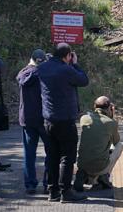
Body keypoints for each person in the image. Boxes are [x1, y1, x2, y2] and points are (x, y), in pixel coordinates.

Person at [36, 43, 89, 202]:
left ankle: (53, 191)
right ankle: (66, 191)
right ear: (67, 56)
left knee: (52, 155)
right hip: (65, 120)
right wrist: (75, 64)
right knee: (68, 156)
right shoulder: (67, 69)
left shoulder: (42, 68)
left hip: (48, 120)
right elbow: (83, 80)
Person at [17, 49, 50, 195]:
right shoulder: (46, 73)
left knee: (29, 154)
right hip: (44, 119)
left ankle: (30, 184)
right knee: (51, 152)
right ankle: (48, 182)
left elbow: (22, 79)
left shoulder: (23, 73)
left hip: (27, 119)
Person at [73, 97, 123, 193]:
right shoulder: (111, 123)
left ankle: (87, 177)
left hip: (82, 164)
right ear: (110, 108)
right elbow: (116, 142)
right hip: (99, 167)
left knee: (93, 146)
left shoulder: (84, 118)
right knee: (119, 146)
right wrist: (112, 116)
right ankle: (104, 176)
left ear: (94, 106)